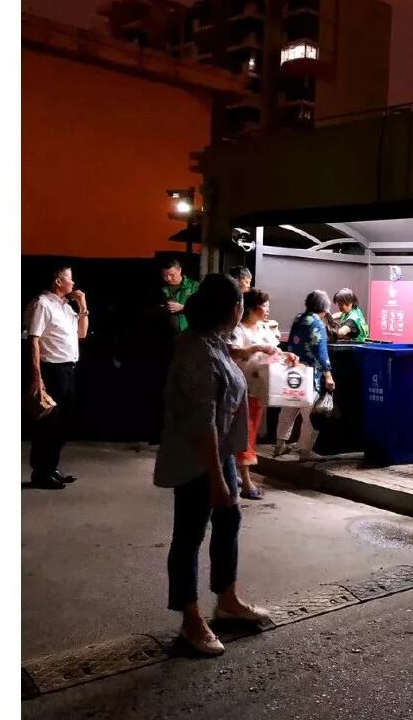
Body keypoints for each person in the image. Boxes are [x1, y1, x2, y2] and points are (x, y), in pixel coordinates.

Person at [153, 273, 268, 656]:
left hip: (219, 455)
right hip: (197, 460)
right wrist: (218, 481)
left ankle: (227, 600)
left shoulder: (212, 341)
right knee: (189, 536)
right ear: (234, 308)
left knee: (228, 521)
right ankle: (190, 620)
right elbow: (203, 424)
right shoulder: (196, 353)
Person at [24, 265, 89, 489]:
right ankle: (41, 472)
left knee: (62, 422)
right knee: (48, 422)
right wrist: (37, 377)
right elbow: (33, 340)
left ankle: (51, 468)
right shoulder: (42, 304)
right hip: (52, 370)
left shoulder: (65, 305)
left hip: (68, 369)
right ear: (58, 281)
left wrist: (83, 306)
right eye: (70, 279)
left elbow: (81, 334)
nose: (73, 283)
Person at [228, 289, 290, 500]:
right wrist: (257, 348)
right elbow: (233, 351)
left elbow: (276, 353)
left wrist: (289, 356)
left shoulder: (265, 328)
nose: (267, 310)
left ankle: (234, 472)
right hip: (241, 389)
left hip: (260, 390)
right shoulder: (238, 330)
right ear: (252, 308)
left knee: (248, 432)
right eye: (264, 306)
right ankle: (246, 481)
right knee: (245, 433)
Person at [277, 291, 336, 460]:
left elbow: (291, 343)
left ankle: (280, 445)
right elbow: (321, 351)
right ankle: (305, 452)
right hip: (310, 373)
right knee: (309, 414)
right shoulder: (317, 323)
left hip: (294, 369)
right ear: (324, 306)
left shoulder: (299, 318)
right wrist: (328, 375)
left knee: (288, 409)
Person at [162, 259, 200, 335]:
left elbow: (203, 307)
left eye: (172, 275)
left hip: (189, 331)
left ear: (179, 270)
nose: (168, 278)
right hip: (165, 333)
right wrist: (164, 308)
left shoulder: (194, 285)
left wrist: (183, 307)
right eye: (165, 275)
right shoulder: (160, 287)